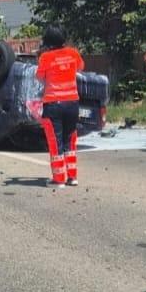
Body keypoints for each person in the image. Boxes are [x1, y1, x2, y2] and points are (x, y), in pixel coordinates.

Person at [37, 25, 86, 186]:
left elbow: (39, 77)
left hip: (53, 104)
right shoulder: (73, 53)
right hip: (72, 102)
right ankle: (72, 176)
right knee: (70, 139)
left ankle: (59, 179)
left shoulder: (45, 57)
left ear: (48, 41)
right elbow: (80, 67)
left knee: (55, 140)